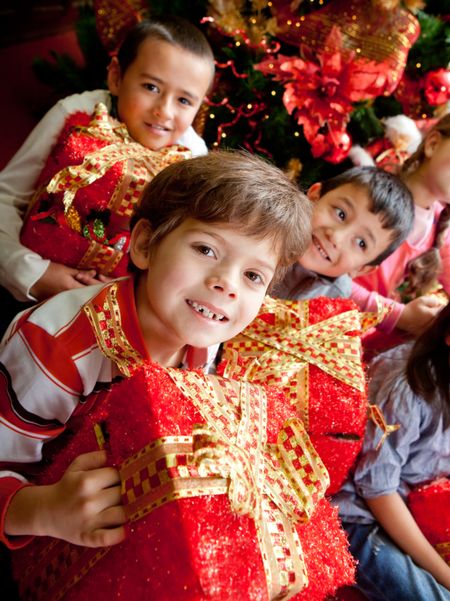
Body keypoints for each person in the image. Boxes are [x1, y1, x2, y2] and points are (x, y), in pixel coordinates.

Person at [0, 149, 312, 551]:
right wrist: (42, 510)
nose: (227, 284)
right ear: (146, 244)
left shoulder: (206, 335)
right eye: (206, 250)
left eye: (253, 275)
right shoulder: (57, 348)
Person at [0, 15, 215, 323]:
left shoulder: (192, 157)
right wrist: (32, 273)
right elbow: (6, 197)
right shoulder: (75, 115)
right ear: (116, 77)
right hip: (31, 282)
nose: (164, 111)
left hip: (115, 309)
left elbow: (180, 248)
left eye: (183, 100)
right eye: (151, 87)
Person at [333, 301, 450, 600]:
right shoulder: (408, 384)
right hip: (358, 513)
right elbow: (377, 489)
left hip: (414, 505)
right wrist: (445, 575)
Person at [273, 166, 419, 334]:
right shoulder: (266, 231)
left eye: (361, 243)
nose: (336, 237)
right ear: (315, 195)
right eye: (340, 214)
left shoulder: (335, 302)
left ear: (362, 269)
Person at [353, 114, 450, 342]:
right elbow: (326, 277)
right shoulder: (371, 196)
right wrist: (400, 315)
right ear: (433, 144)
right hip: (321, 332)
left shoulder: (440, 224)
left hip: (368, 345)